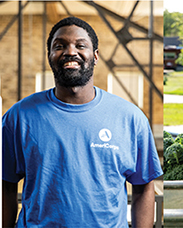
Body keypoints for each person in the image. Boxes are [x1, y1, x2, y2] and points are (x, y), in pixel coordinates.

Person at [2, 17, 163, 227]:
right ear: (50, 56)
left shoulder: (131, 118)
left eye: (80, 45)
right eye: (59, 46)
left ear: (95, 56)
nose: (70, 51)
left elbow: (143, 186)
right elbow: (6, 184)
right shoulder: (19, 117)